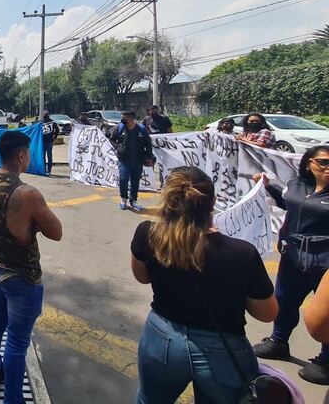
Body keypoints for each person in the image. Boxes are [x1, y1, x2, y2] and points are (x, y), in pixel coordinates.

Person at [130, 166, 278, 403]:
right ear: (213, 203)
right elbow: (267, 313)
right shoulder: (241, 253)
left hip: (161, 337)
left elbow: (142, 277)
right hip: (223, 348)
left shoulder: (147, 233)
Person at [0, 131, 62, 403]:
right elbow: (56, 231)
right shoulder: (27, 193)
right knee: (17, 342)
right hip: (22, 276)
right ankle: (13, 399)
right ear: (21, 155)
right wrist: (34, 223)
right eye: (28, 153)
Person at [253, 145, 329, 384]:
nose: (328, 167)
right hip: (292, 257)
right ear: (309, 163)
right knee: (284, 301)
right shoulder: (297, 185)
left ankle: (326, 360)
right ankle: (278, 341)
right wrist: (266, 186)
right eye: (324, 162)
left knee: (324, 315)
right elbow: (286, 203)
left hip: (325, 262)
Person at [110, 110, 154, 212]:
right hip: (124, 160)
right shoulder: (119, 128)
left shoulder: (141, 129)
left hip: (138, 160)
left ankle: (133, 200)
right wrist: (118, 147)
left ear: (131, 118)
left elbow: (148, 143)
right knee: (123, 179)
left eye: (124, 117)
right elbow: (112, 139)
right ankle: (123, 199)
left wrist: (149, 156)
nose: (122, 119)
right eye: (122, 117)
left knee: (135, 181)